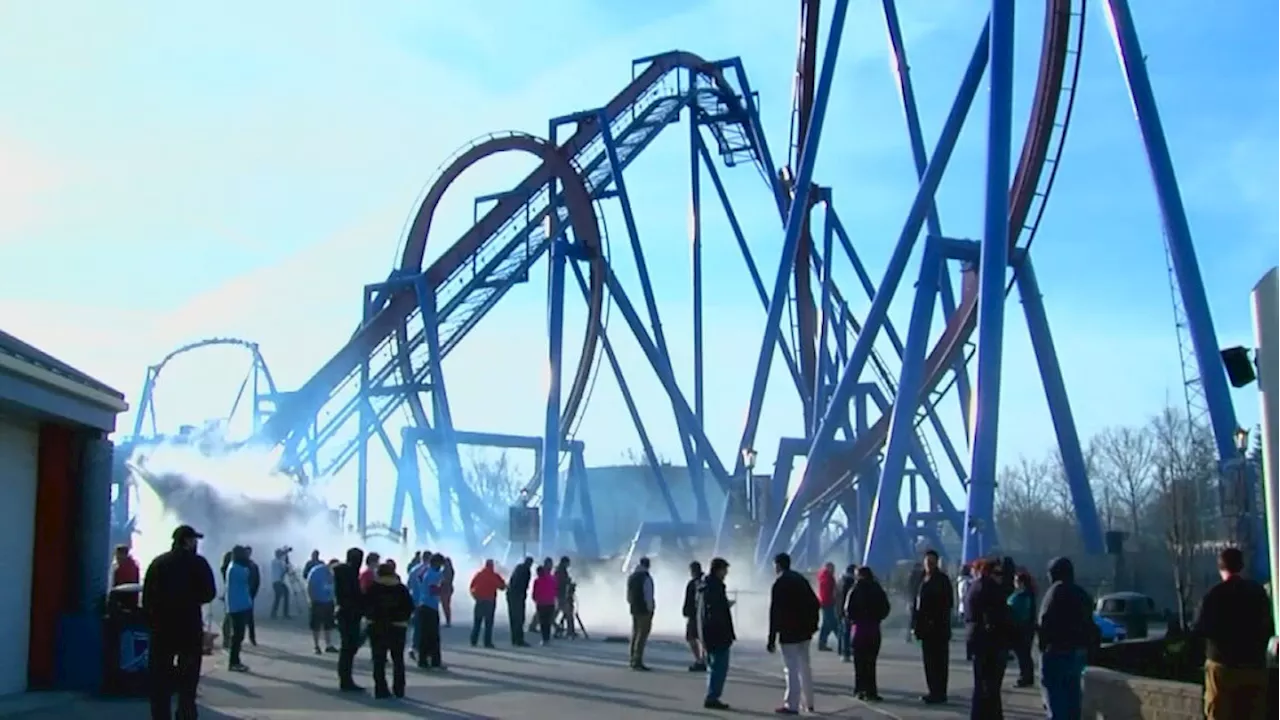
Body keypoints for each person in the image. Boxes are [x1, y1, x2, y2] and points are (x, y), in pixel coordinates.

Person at [142, 525, 217, 720]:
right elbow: (209, 593)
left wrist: (152, 620)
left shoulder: (158, 563)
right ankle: (185, 714)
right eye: (194, 540)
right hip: (189, 628)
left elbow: (147, 597)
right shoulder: (198, 563)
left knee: (160, 678)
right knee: (188, 679)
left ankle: (160, 716)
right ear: (187, 541)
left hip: (162, 629)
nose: (196, 543)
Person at [1193, 546, 1272, 720]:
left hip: (1222, 668)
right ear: (1242, 566)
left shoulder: (1213, 595)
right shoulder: (1258, 593)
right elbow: (1269, 626)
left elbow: (1199, 630)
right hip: (1254, 666)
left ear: (1220, 568)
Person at [1037, 556, 1094, 718]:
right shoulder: (1082, 594)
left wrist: (1042, 647)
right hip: (1077, 652)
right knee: (1073, 698)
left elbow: (1044, 622)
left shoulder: (1054, 592)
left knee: (1056, 700)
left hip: (1056, 651)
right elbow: (1090, 624)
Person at [767, 552, 819, 715]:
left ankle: (792, 704)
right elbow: (815, 603)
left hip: (789, 632)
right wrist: (813, 625)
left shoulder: (780, 583)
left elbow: (775, 612)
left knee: (791, 669)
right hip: (804, 632)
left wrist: (771, 637)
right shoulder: (801, 580)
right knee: (805, 667)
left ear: (778, 565)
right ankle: (809, 703)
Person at [965, 559, 1012, 718]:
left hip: (981, 641)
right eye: (997, 573)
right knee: (989, 688)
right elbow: (994, 618)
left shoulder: (977, 586)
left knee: (983, 686)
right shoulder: (989, 589)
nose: (1000, 577)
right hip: (990, 644)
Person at [365, 561, 415, 699]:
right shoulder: (400, 588)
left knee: (379, 660)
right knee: (398, 659)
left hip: (377, 627)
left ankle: (380, 689)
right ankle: (399, 689)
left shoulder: (373, 588)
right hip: (398, 627)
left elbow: (366, 606)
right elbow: (410, 607)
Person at [911, 549, 954, 705]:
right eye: (927, 562)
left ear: (936, 562)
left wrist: (933, 619)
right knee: (929, 662)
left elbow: (948, 603)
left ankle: (939, 692)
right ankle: (933, 690)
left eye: (931, 562)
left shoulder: (942, 580)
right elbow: (916, 604)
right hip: (925, 629)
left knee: (940, 662)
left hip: (938, 628)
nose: (928, 564)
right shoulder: (923, 579)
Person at [846, 566, 890, 701]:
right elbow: (886, 607)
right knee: (871, 662)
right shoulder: (877, 589)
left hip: (859, 629)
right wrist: (877, 618)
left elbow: (847, 610)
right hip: (873, 628)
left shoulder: (855, 590)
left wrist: (854, 619)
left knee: (859, 662)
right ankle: (871, 691)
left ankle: (860, 689)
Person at [699, 557, 735, 710]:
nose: (726, 573)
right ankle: (713, 697)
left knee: (713, 666)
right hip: (718, 633)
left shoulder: (705, 586)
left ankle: (712, 694)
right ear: (718, 570)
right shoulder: (716, 587)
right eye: (725, 569)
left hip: (708, 632)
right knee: (720, 666)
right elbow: (717, 613)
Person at [333, 547, 367, 692]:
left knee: (348, 648)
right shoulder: (349, 573)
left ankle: (345, 679)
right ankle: (346, 680)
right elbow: (353, 595)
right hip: (349, 613)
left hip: (346, 612)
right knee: (349, 647)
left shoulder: (344, 572)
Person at [413, 554, 446, 669]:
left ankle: (424, 660)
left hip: (424, 605)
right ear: (436, 563)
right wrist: (442, 588)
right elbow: (433, 590)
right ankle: (434, 661)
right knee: (433, 636)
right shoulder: (433, 574)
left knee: (425, 635)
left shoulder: (425, 571)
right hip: (430, 607)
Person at [224, 545, 253, 672]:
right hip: (238, 605)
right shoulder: (237, 568)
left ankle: (235, 661)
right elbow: (248, 576)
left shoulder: (233, 566)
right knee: (237, 636)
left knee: (237, 635)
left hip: (237, 604)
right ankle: (234, 662)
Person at [468, 559, 507, 648]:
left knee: (477, 622)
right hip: (489, 601)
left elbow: (471, 586)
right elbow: (501, 586)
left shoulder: (479, 575)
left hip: (479, 600)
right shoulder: (494, 575)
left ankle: (473, 641)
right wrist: (504, 585)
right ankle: (487, 642)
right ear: (492, 566)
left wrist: (475, 596)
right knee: (488, 623)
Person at [1008, 570, 1037, 688]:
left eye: (1016, 580)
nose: (1014, 583)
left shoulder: (1022, 597)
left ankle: (1024, 677)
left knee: (1022, 655)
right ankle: (1028, 677)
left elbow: (1017, 611)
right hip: (1026, 628)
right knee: (1025, 654)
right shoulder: (1029, 595)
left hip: (1020, 628)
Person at [626, 556, 656, 670]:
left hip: (634, 609)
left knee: (634, 633)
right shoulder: (646, 578)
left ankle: (632, 658)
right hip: (644, 610)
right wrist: (650, 609)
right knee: (642, 635)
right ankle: (638, 660)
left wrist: (631, 604)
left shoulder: (632, 577)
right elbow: (648, 595)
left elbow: (628, 595)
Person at [306, 556, 338, 655]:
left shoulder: (335, 573)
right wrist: (311, 599)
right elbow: (310, 586)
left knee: (329, 624)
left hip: (329, 601)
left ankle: (328, 645)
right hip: (317, 601)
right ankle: (316, 645)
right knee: (316, 625)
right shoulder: (317, 571)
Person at [683, 560, 706, 672]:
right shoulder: (702, 582)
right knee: (698, 638)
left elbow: (689, 599)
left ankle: (700, 660)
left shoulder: (697, 583)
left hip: (695, 615)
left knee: (693, 637)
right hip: (698, 614)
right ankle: (701, 659)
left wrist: (686, 610)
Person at [507, 556, 533, 647]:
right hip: (517, 596)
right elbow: (523, 585)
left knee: (513, 618)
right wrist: (522, 595)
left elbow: (512, 581)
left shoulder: (518, 568)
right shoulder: (526, 571)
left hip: (511, 595)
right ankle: (519, 640)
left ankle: (514, 639)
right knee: (519, 618)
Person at [531, 564, 558, 645]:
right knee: (548, 622)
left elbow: (534, 593)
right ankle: (547, 638)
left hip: (541, 604)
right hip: (550, 603)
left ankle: (544, 639)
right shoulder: (552, 579)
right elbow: (555, 590)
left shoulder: (537, 581)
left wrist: (535, 600)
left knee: (543, 622)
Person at [836, 564, 857, 663]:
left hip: (839, 608)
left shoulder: (840, 580)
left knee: (842, 631)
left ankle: (841, 650)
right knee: (847, 632)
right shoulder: (850, 582)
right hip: (846, 609)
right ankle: (846, 652)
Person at [816, 562, 838, 652]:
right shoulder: (827, 578)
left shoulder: (824, 576)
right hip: (827, 603)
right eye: (832, 568)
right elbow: (827, 592)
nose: (834, 571)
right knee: (833, 624)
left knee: (826, 625)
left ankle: (822, 643)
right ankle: (844, 644)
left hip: (825, 602)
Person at [244, 546, 262, 645]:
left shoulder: (253, 565)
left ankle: (252, 638)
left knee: (250, 618)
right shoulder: (240, 565)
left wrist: (253, 593)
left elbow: (257, 580)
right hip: (241, 594)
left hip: (250, 594)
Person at [956, 564, 974, 662]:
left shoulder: (960, 581)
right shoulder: (967, 582)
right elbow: (966, 596)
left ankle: (969, 652)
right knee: (969, 632)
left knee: (968, 631)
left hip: (962, 608)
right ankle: (970, 652)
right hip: (966, 608)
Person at [269, 548, 290, 619]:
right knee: (281, 596)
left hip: (276, 581)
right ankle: (283, 613)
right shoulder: (279, 562)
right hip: (278, 581)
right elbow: (284, 571)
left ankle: (275, 613)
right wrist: (286, 557)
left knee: (279, 596)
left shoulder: (274, 561)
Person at [440, 557, 456, 627]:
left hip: (445, 588)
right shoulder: (450, 570)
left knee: (445, 605)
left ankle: (448, 621)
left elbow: (445, 580)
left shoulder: (447, 570)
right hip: (448, 588)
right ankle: (448, 620)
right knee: (446, 605)